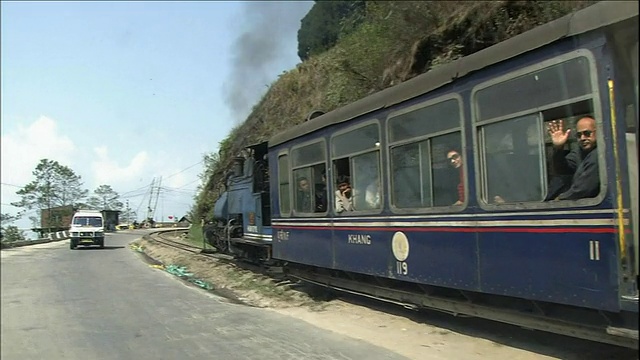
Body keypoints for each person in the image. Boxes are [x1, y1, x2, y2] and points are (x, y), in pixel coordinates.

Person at [545, 116, 600, 201]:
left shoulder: (598, 153)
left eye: (587, 133)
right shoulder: (579, 152)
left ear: (598, 132)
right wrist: (558, 148)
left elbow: (584, 188)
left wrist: (561, 198)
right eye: (579, 135)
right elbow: (562, 170)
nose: (582, 138)